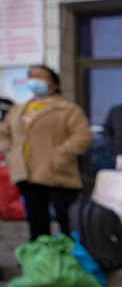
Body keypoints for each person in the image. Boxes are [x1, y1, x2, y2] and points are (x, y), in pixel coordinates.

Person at [0, 65, 92, 240]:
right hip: (28, 174)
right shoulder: (18, 109)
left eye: (40, 76)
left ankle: (68, 259)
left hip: (58, 173)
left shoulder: (67, 109)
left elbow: (82, 137)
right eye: (31, 76)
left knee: (66, 221)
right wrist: (8, 152)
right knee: (36, 221)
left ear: (54, 84)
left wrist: (60, 155)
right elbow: (4, 133)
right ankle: (40, 260)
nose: (34, 80)